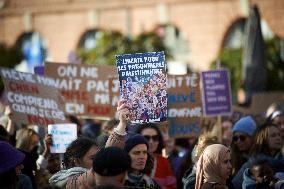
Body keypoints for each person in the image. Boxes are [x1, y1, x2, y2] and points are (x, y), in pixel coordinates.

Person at [232, 123, 284, 189]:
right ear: (262, 138)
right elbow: (234, 185)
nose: (278, 138)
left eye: (279, 135)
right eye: (273, 135)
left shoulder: (281, 162)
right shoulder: (253, 163)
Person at [136, 123, 177, 189]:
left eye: (155, 138)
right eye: (146, 137)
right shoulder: (131, 160)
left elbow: (172, 186)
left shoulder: (164, 161)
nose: (151, 141)